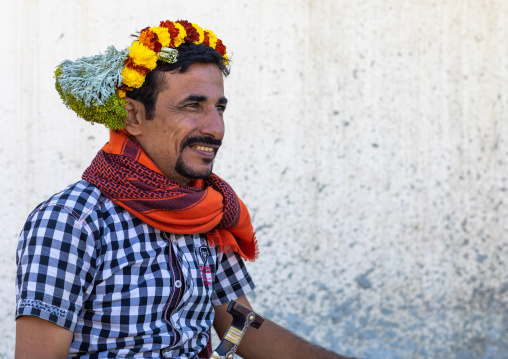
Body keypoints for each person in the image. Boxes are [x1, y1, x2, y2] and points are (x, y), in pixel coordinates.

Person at [15, 20, 357, 359]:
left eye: (219, 108)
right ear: (133, 117)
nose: (215, 128)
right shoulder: (72, 222)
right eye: (193, 106)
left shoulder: (206, 210)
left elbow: (241, 327)